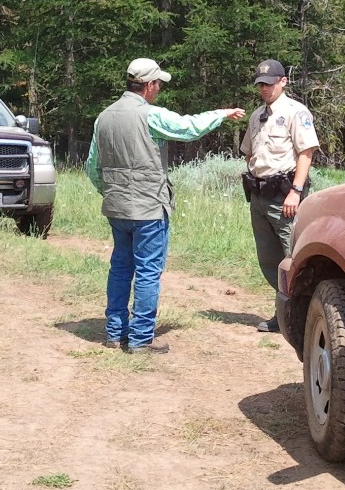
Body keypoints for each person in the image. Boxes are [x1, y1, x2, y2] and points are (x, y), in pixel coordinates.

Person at [86, 58, 245, 353]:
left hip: (117, 208)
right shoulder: (150, 116)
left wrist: (110, 193)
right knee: (147, 271)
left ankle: (114, 333)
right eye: (158, 84)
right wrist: (221, 114)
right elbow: (188, 128)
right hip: (148, 209)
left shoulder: (103, 117)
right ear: (148, 86)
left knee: (120, 268)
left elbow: (92, 166)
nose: (159, 89)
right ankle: (141, 338)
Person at [240, 59, 320, 332]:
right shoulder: (256, 115)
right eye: (261, 84)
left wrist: (296, 191)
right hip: (260, 195)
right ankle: (283, 313)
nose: (265, 88)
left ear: (283, 82)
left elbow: (306, 153)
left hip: (285, 196)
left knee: (293, 257)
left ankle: (304, 319)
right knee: (269, 259)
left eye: (270, 83)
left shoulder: (296, 112)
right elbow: (249, 151)